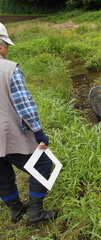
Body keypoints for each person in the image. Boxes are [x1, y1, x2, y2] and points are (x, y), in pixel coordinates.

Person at [0, 23, 57, 224]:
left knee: (2, 173)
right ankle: (36, 212)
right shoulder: (9, 69)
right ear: (0, 46)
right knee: (42, 165)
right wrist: (39, 132)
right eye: (6, 45)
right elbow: (25, 106)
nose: (7, 49)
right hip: (8, 134)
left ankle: (16, 210)